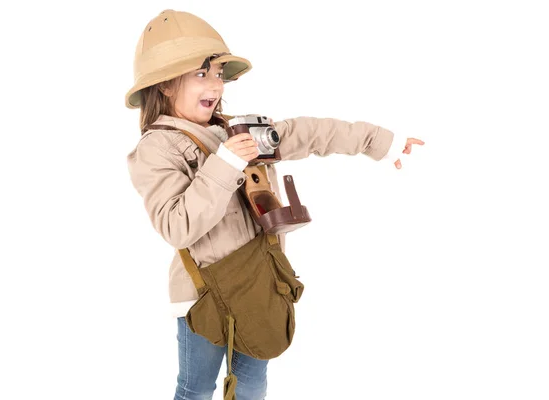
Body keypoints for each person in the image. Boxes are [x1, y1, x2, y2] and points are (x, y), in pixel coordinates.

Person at [124, 9, 425, 400]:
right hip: (204, 295)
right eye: (201, 74)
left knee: (252, 384)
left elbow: (308, 133)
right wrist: (228, 162)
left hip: (259, 282)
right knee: (196, 388)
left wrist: (379, 142)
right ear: (164, 84)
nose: (215, 83)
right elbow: (176, 226)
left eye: (217, 73)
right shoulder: (156, 148)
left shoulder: (234, 131)